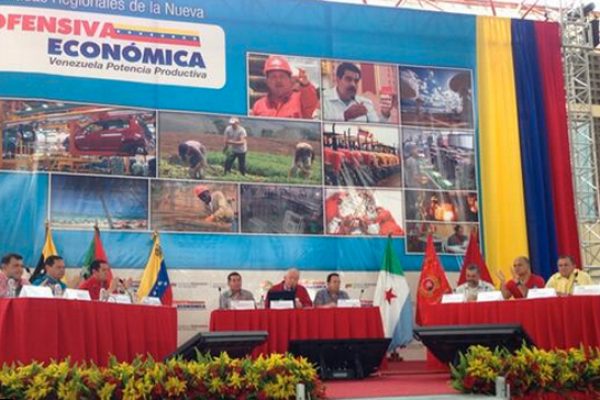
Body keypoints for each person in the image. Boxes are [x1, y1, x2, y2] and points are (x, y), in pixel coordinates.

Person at [251, 55, 319, 119]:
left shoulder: (300, 100)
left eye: (282, 76)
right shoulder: (258, 106)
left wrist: (305, 84)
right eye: (273, 77)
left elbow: (311, 102)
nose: (278, 80)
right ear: (267, 81)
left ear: (290, 79)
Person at [322, 62, 392, 123]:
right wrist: (345, 116)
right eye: (348, 79)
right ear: (338, 80)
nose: (353, 84)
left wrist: (385, 114)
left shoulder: (365, 103)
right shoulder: (323, 98)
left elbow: (377, 128)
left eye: (356, 81)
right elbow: (319, 124)